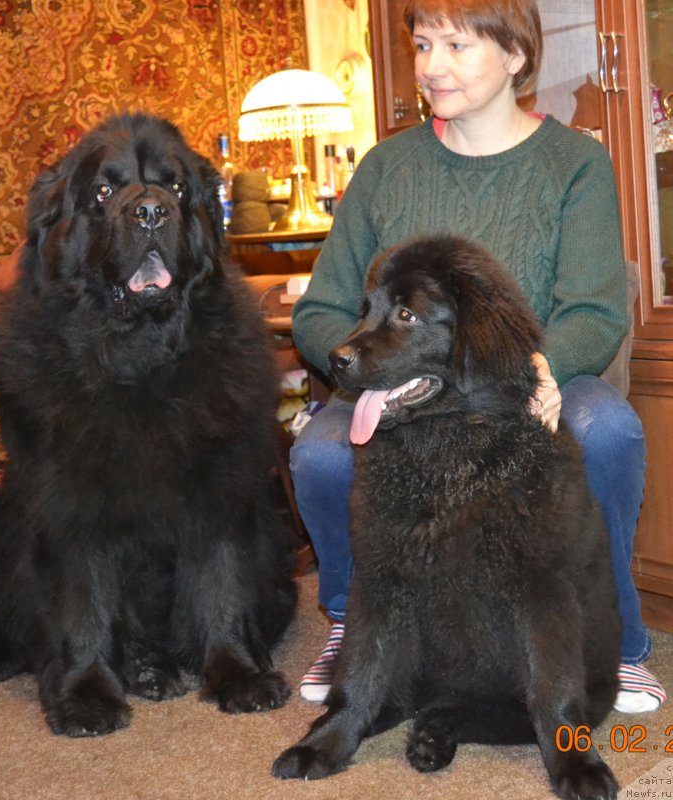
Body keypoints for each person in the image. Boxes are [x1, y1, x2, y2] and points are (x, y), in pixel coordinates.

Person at [290, 0, 666, 714]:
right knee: (319, 454)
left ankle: (617, 641)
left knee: (606, 431)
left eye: (457, 46)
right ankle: (349, 623)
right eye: (423, 45)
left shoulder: (575, 162)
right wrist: (358, 363)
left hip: (527, 374)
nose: (432, 66)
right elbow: (320, 311)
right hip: (403, 386)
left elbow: (593, 307)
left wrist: (537, 372)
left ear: (515, 56)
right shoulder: (385, 166)